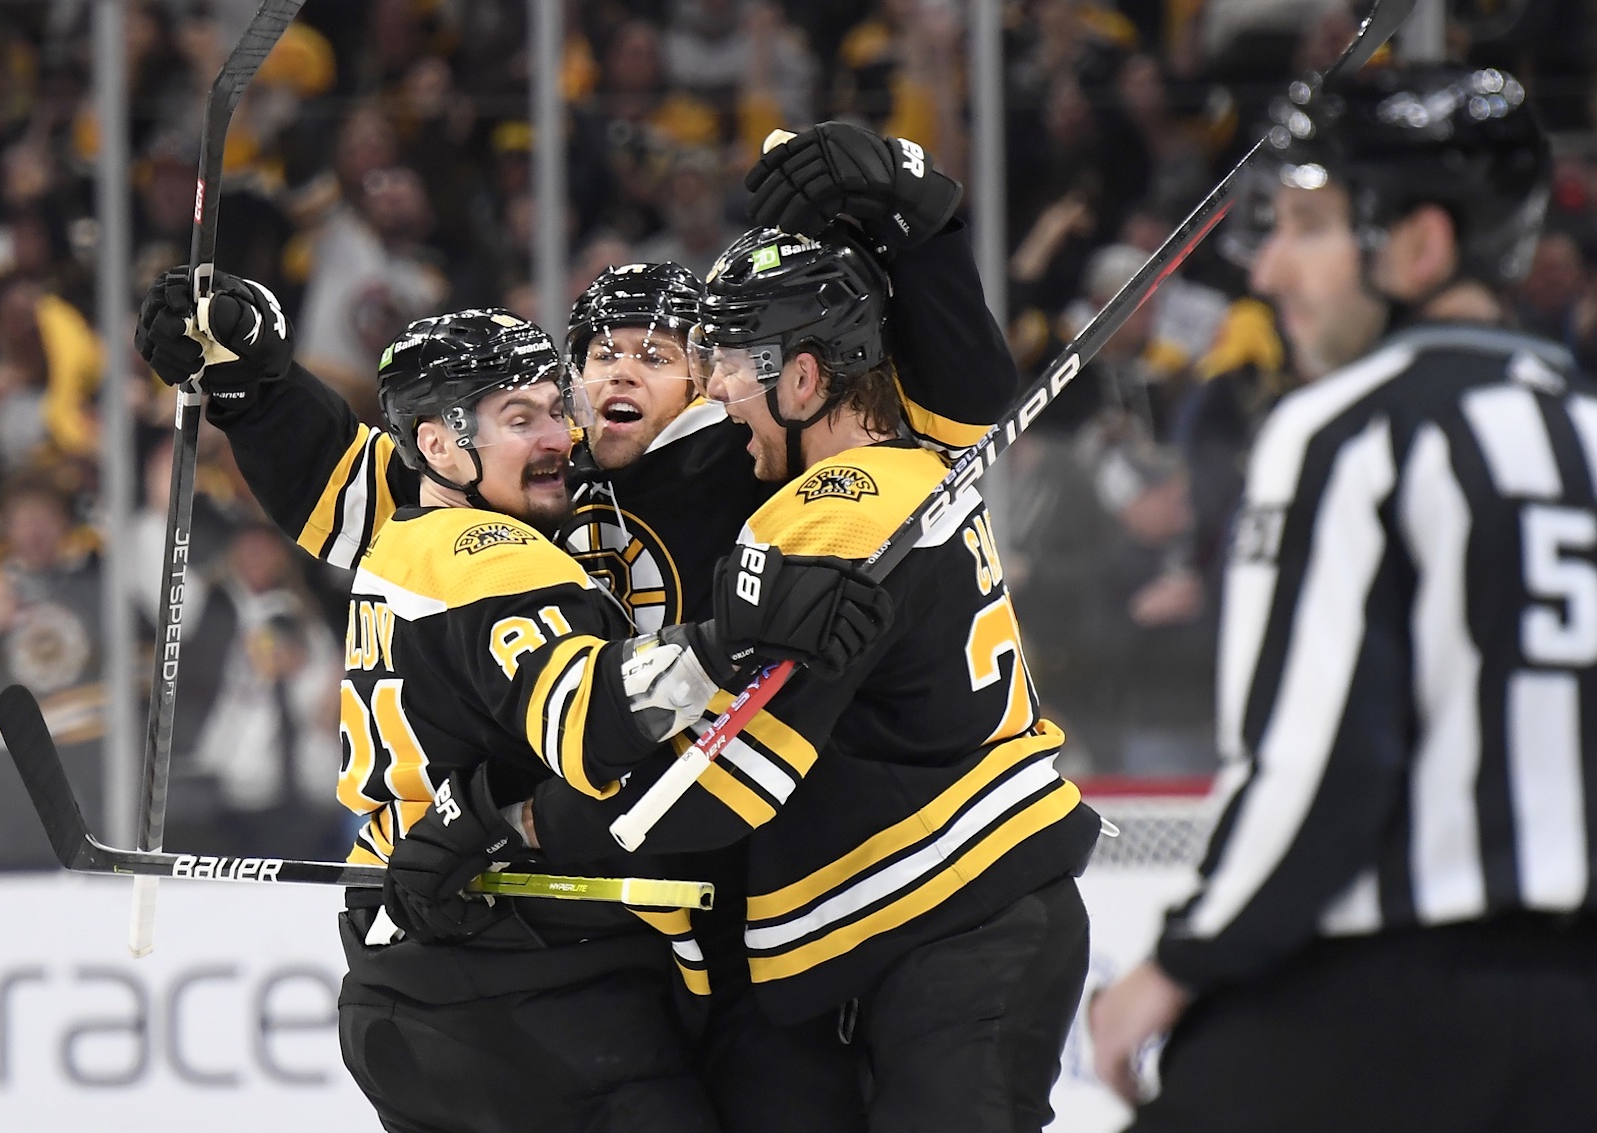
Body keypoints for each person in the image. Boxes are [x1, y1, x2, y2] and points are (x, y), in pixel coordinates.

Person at [137, 119, 1019, 1133]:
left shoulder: (755, 463)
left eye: (656, 353)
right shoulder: (544, 484)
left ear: (713, 376)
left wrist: (921, 224)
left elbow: (956, 415)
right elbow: (357, 484)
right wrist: (254, 386)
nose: (617, 375)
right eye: (598, 351)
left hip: (755, 905)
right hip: (594, 922)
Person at [1087, 63, 1597, 1132]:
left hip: (1386, 1007)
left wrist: (1179, 961)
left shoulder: (1344, 430)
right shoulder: (1583, 434)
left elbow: (1321, 759)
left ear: (1418, 245)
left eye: (1309, 226)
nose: (1267, 268)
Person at [532, 220, 1102, 1133]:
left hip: (953, 911)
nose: (715, 392)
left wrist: (514, 823)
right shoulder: (920, 463)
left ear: (802, 379)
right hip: (941, 918)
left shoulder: (816, 519)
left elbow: (720, 782)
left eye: (725, 367)